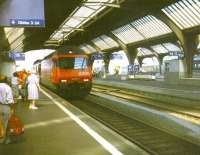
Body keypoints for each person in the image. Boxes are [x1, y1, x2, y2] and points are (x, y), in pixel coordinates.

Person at [0, 75, 14, 144]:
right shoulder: (7, 87)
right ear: (6, 80)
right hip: (5, 106)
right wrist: (11, 108)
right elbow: (10, 100)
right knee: (5, 123)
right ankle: (2, 140)